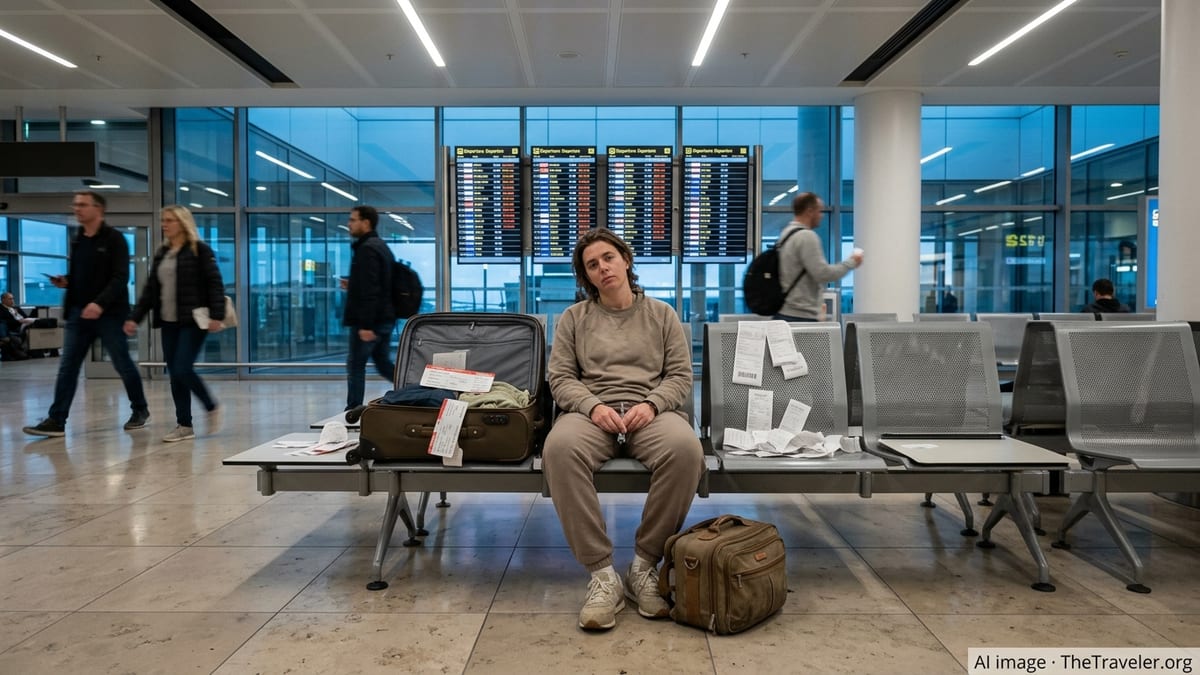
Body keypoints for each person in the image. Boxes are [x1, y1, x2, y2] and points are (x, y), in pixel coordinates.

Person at [543, 228, 704, 632]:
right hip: (591, 413)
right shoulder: (574, 319)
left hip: (648, 412)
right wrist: (592, 406)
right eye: (592, 265)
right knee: (559, 449)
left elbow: (680, 376)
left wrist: (651, 405)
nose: (602, 268)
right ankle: (602, 576)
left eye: (608, 258)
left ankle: (644, 566)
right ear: (587, 276)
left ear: (626, 260)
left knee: (686, 450)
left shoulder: (662, 314)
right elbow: (560, 378)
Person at [24, 190, 149, 437]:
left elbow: (120, 277)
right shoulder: (79, 238)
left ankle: (140, 409)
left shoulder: (114, 239)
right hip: (78, 315)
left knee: (122, 363)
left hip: (109, 314)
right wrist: (67, 281)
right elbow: (85, 276)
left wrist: (100, 304)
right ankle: (56, 419)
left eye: (82, 204)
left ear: (98, 209)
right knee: (68, 367)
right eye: (75, 205)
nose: (76, 208)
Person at [123, 205, 226, 442]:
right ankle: (184, 425)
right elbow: (150, 290)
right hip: (168, 322)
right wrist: (135, 318)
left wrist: (217, 316)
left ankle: (211, 406)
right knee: (176, 374)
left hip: (193, 321)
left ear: (182, 223)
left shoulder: (200, 250)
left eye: (169, 220)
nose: (165, 225)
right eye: (163, 221)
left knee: (182, 367)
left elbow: (215, 284)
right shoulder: (163, 253)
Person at [775, 192, 863, 321]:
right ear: (810, 211)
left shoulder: (785, 234)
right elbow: (823, 274)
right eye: (819, 211)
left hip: (784, 312)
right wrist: (851, 262)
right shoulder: (806, 236)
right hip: (800, 316)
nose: (821, 216)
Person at [342, 205, 396, 415]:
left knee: (356, 364)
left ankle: (353, 410)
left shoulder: (367, 249)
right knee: (382, 363)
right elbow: (377, 283)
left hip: (370, 321)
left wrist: (365, 325)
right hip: (383, 317)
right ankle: (413, 390)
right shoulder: (379, 246)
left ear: (366, 222)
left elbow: (371, 290)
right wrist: (353, 283)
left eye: (353, 220)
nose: (349, 224)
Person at [1, 291, 34, 359]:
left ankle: (34, 350)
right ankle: (24, 352)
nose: (12, 301)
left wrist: (22, 318)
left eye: (12, 298)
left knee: (35, 326)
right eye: (10, 299)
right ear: (3, 300)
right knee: (28, 330)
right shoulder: (1, 309)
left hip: (23, 323)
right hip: (13, 327)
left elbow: (25, 316)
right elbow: (5, 322)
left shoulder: (16, 308)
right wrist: (19, 321)